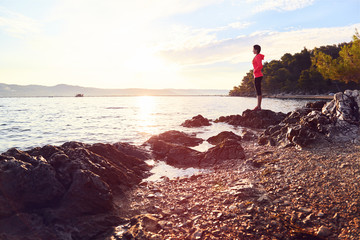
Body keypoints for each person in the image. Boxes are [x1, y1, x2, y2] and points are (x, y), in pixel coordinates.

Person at [252, 44, 264, 111]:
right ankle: (258, 106)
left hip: (258, 75)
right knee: (258, 91)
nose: (252, 51)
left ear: (256, 50)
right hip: (257, 75)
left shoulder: (258, 56)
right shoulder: (257, 56)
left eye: (253, 49)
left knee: (258, 91)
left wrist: (255, 71)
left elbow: (260, 66)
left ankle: (258, 106)